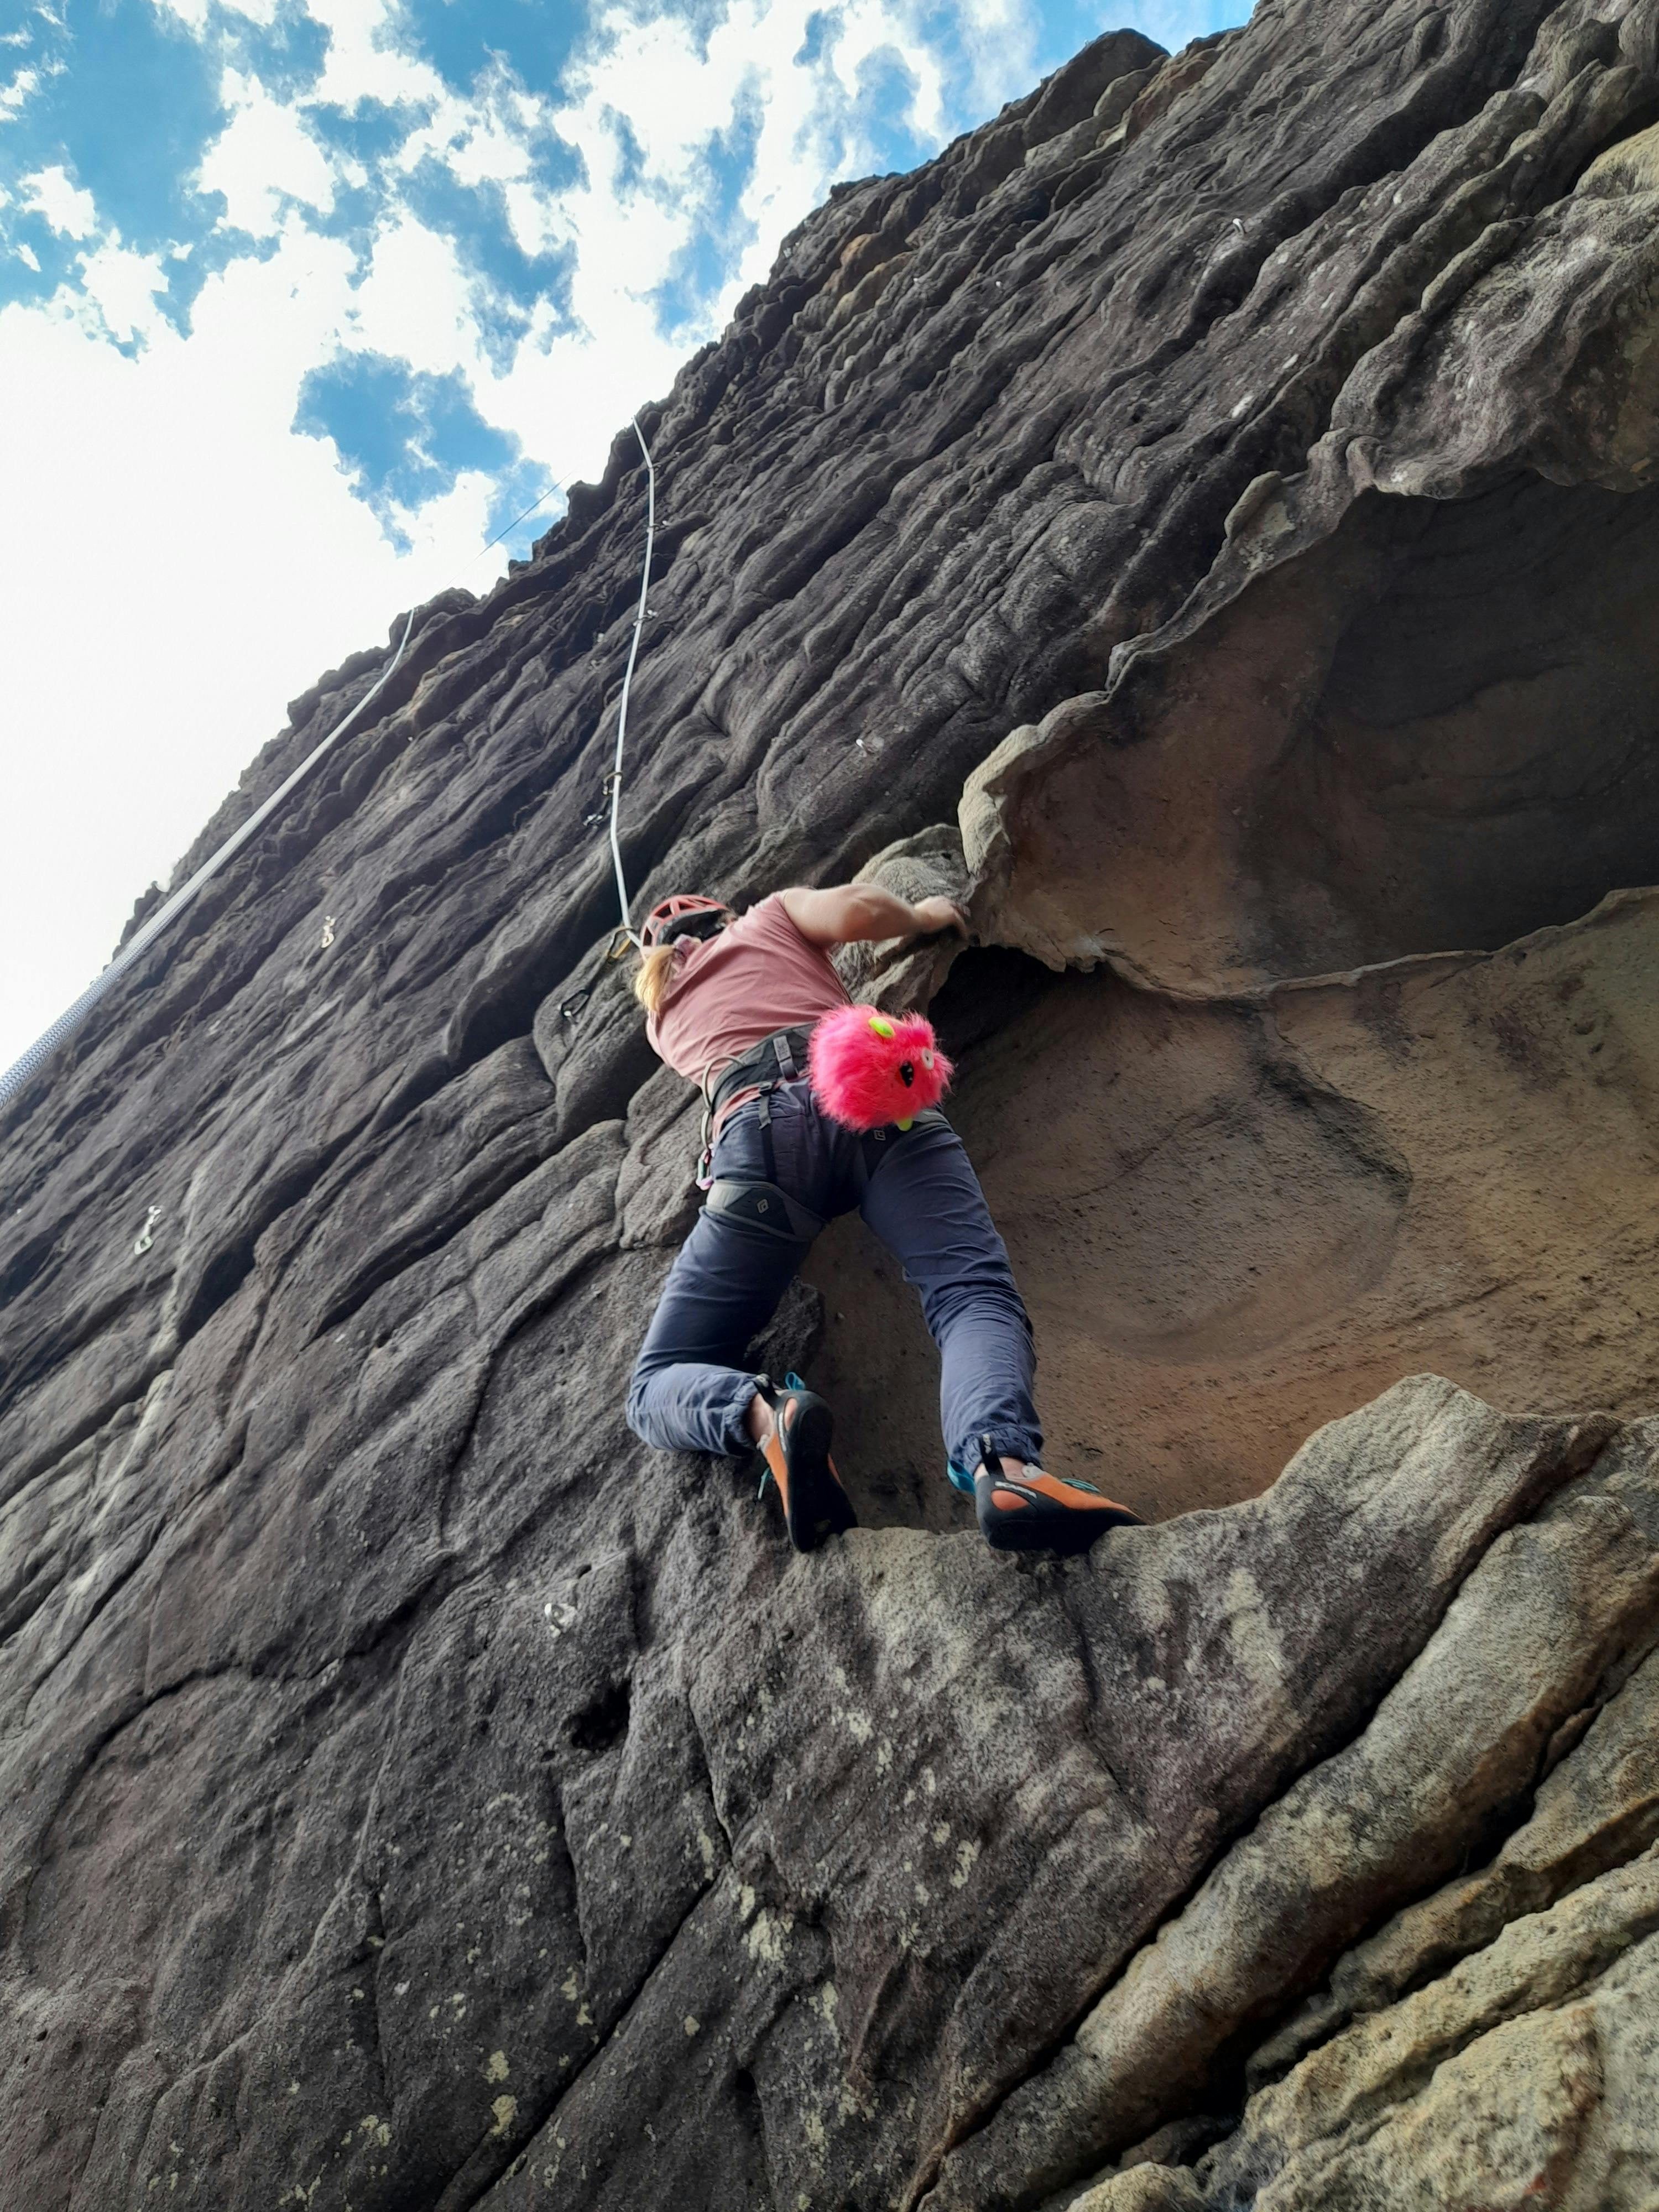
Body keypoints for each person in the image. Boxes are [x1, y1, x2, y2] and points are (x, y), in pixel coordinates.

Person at [624, 884, 1142, 1556]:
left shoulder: (661, 1016)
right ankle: (1006, 1469)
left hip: (759, 1149)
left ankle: (765, 1416)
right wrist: (924, 916)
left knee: (655, 1382)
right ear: (723, 915)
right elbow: (861, 910)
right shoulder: (767, 918)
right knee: (969, 1292)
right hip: (868, 1092)